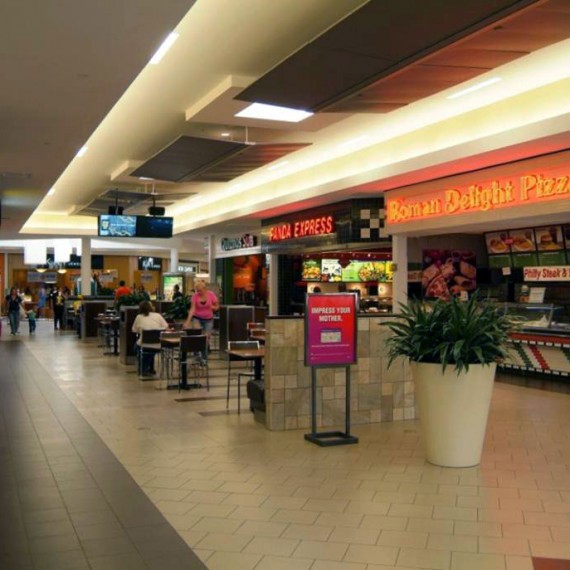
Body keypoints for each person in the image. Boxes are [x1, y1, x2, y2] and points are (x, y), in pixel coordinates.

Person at [183, 280, 219, 362]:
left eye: (200, 290)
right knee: (196, 336)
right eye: (197, 290)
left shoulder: (211, 295)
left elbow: (217, 306)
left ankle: (204, 358)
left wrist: (213, 308)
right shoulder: (195, 296)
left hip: (208, 319)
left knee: (205, 339)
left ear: (204, 289)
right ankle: (196, 356)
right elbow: (192, 309)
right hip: (197, 317)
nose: (198, 292)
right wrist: (187, 322)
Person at [132, 301, 169, 376]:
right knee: (151, 350)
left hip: (144, 344)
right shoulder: (158, 315)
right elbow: (166, 327)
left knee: (136, 348)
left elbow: (134, 330)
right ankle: (149, 369)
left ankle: (143, 368)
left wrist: (141, 329)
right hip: (158, 344)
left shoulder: (139, 317)